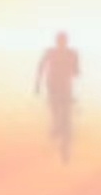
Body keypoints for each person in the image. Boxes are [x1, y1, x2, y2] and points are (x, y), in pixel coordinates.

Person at [34, 33, 82, 163]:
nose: (61, 43)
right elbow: (76, 71)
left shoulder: (65, 53)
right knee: (58, 110)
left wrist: (37, 84)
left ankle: (60, 133)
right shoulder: (67, 53)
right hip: (57, 86)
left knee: (60, 111)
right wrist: (37, 83)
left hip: (60, 86)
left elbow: (41, 67)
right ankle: (58, 129)